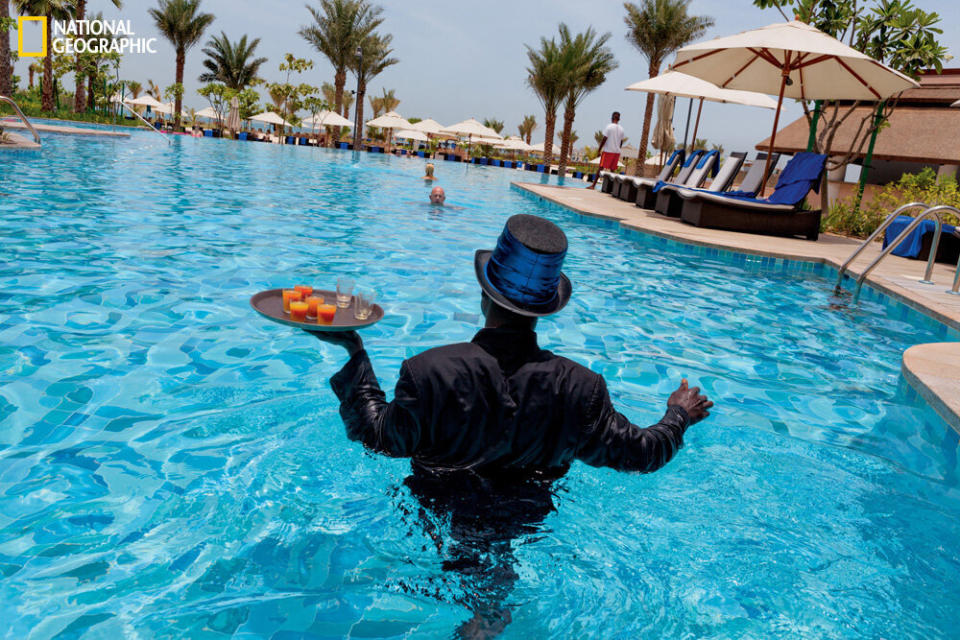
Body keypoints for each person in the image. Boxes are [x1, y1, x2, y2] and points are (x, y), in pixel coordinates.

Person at [308, 214, 712, 636]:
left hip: (433, 506)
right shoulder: (581, 388)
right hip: (524, 515)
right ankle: (487, 615)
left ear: (486, 297)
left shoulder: (428, 370)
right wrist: (678, 414)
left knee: (453, 562)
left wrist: (354, 350)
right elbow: (642, 455)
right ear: (545, 308)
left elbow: (377, 438)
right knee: (493, 566)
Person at [588, 111, 625, 189]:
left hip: (608, 151)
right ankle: (614, 188)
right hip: (616, 152)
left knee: (600, 168)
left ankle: (593, 185)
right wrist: (617, 149)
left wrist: (599, 150)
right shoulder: (622, 129)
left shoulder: (609, 127)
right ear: (619, 119)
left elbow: (604, 138)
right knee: (612, 170)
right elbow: (621, 142)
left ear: (612, 118)